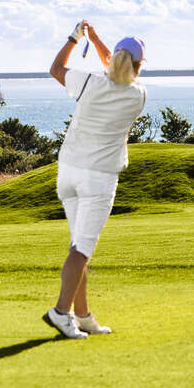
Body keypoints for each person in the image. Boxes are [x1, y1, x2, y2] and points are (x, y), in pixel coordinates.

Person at [42, 20, 147, 339]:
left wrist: (77, 38)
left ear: (113, 58)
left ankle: (83, 315)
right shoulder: (138, 96)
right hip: (98, 180)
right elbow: (115, 67)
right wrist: (100, 41)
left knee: (78, 245)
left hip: (69, 174)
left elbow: (56, 68)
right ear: (138, 66)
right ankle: (61, 312)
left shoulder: (88, 82)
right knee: (82, 249)